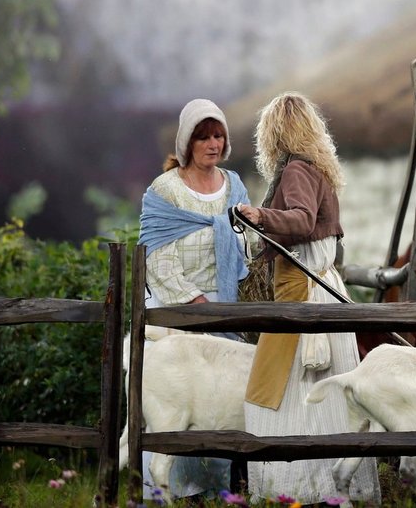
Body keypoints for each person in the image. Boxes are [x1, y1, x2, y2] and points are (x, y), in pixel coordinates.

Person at [236, 92, 380, 504]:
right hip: (321, 293)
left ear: (275, 132)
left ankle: (299, 493)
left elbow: (299, 221)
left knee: (277, 402)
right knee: (330, 401)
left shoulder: (297, 170)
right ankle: (338, 491)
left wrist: (261, 216)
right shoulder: (318, 170)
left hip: (303, 296)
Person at [137, 98, 251, 500]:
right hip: (177, 313)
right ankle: (175, 491)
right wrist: (197, 306)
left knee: (219, 403)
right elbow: (157, 261)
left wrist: (226, 308)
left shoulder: (234, 186)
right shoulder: (164, 191)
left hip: (225, 310)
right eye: (203, 136)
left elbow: (245, 244)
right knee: (179, 403)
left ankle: (219, 491)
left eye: (218, 135)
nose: (212, 143)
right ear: (187, 142)